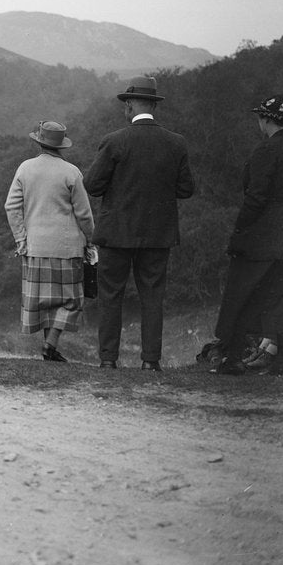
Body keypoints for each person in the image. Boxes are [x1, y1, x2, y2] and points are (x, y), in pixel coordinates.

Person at [83, 76, 195, 370]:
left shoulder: (114, 141)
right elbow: (186, 189)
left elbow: (92, 185)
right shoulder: (176, 143)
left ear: (130, 105)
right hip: (158, 234)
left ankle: (108, 360)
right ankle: (151, 361)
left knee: (110, 296)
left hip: (116, 233)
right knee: (153, 297)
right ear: (153, 105)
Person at [214, 95, 283, 375]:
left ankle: (234, 358)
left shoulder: (266, 151)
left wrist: (239, 233)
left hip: (265, 235)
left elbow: (255, 197)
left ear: (267, 119)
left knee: (245, 294)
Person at [5, 120, 95, 362]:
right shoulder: (71, 172)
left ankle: (49, 348)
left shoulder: (25, 168)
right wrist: (91, 240)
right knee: (70, 301)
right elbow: (84, 214)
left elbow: (11, 207)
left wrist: (21, 240)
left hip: (35, 246)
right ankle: (51, 344)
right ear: (62, 146)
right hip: (68, 247)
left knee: (45, 300)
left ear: (39, 142)